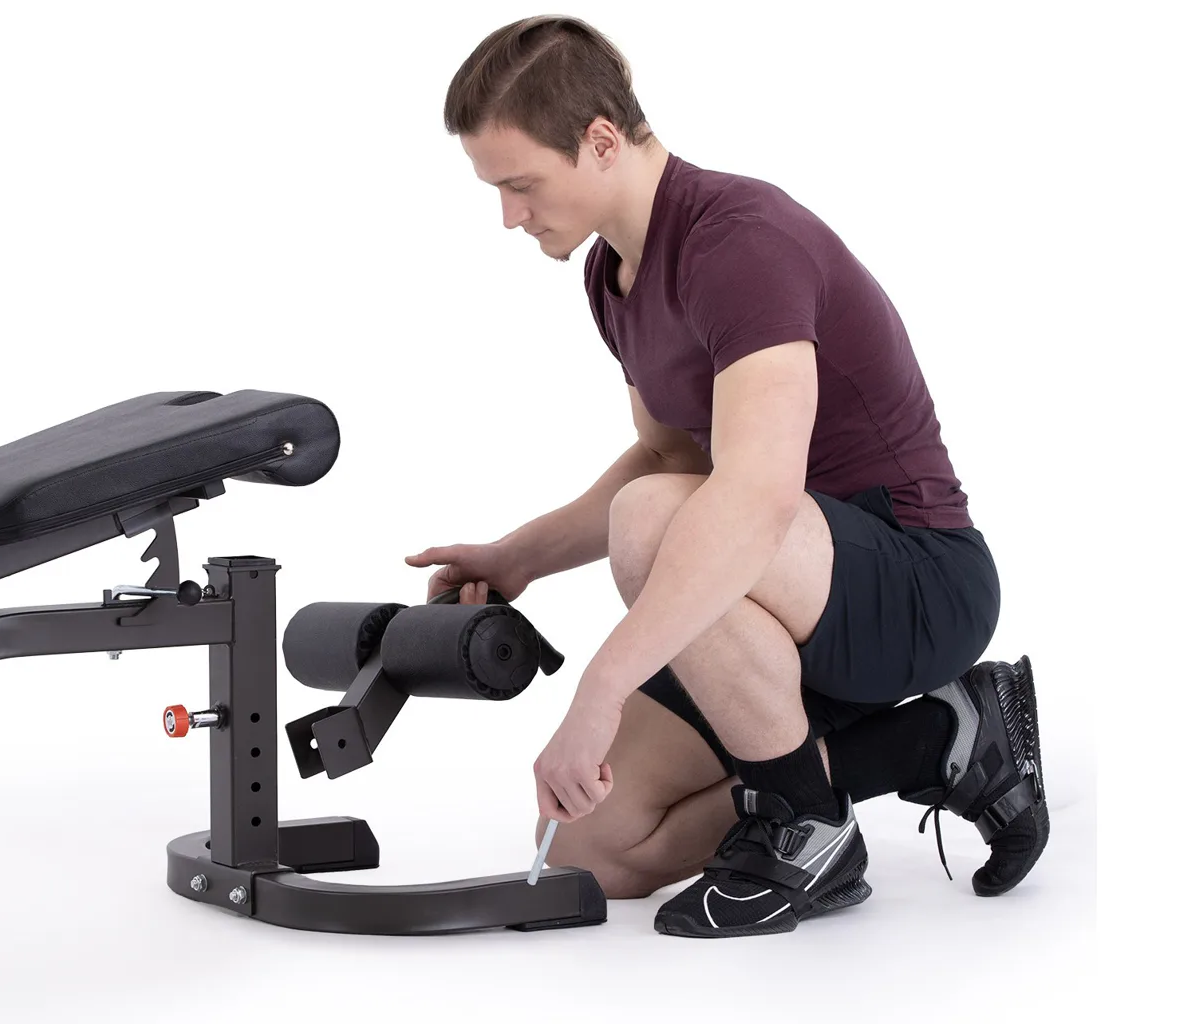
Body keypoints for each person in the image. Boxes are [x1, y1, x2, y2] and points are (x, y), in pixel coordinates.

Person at [408, 15, 1050, 938]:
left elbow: (752, 498)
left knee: (651, 522)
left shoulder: (738, 242)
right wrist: (518, 558)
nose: (510, 216)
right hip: (778, 602)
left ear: (600, 141)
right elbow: (671, 457)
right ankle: (942, 740)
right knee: (596, 845)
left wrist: (600, 690)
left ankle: (809, 827)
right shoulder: (613, 274)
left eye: (520, 184)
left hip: (914, 582)